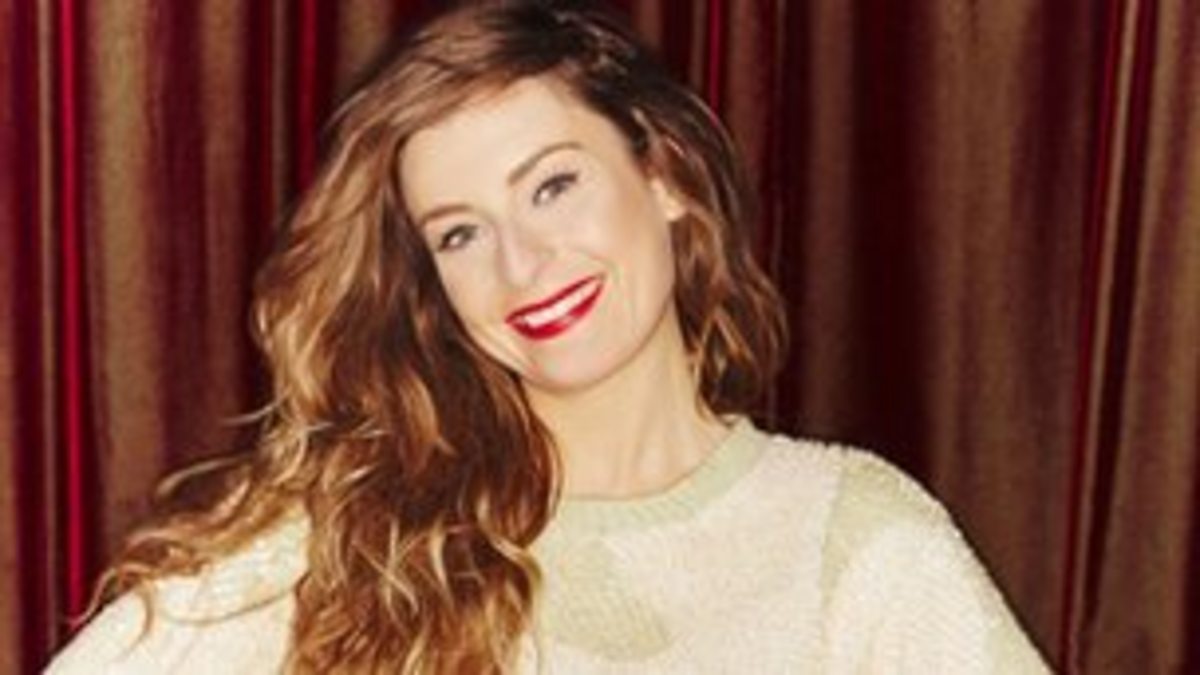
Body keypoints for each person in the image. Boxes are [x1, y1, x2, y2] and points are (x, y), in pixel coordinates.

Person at [48, 1, 1051, 672]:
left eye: (553, 185)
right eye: (461, 234)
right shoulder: (355, 536)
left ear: (665, 176)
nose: (522, 264)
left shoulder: (853, 536)